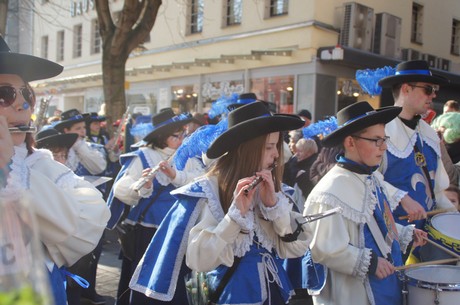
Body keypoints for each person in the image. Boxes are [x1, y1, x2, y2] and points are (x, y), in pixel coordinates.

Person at [0, 35, 110, 304]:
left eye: (26, 93)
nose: (22, 104)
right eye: (5, 94)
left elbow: (88, 226)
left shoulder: (41, 166)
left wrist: (11, 170)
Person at [184, 101, 312, 305]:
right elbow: (198, 260)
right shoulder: (210, 190)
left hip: (274, 291)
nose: (277, 154)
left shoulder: (273, 188)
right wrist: (233, 219)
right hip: (232, 295)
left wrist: (274, 209)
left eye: (276, 146)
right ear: (246, 149)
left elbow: (295, 249)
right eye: (269, 147)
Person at [304, 101, 427, 305]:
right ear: (350, 142)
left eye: (384, 139)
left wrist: (405, 234)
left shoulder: (373, 178)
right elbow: (323, 248)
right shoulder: (329, 191)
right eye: (376, 140)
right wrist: (368, 262)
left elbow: (376, 226)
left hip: (386, 288)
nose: (384, 147)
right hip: (354, 294)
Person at [108, 108, 203, 305]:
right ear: (161, 137)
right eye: (176, 135)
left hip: (179, 229)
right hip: (148, 231)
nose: (182, 138)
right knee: (144, 276)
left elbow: (202, 181)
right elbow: (121, 188)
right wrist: (142, 186)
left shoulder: (189, 156)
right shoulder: (143, 155)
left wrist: (176, 176)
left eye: (184, 133)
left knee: (173, 278)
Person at [378, 60, 456, 233]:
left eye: (434, 90)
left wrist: (453, 216)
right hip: (391, 239)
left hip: (425, 238)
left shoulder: (429, 134)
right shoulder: (380, 132)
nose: (433, 96)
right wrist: (402, 199)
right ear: (406, 89)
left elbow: (437, 192)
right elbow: (367, 181)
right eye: (428, 89)